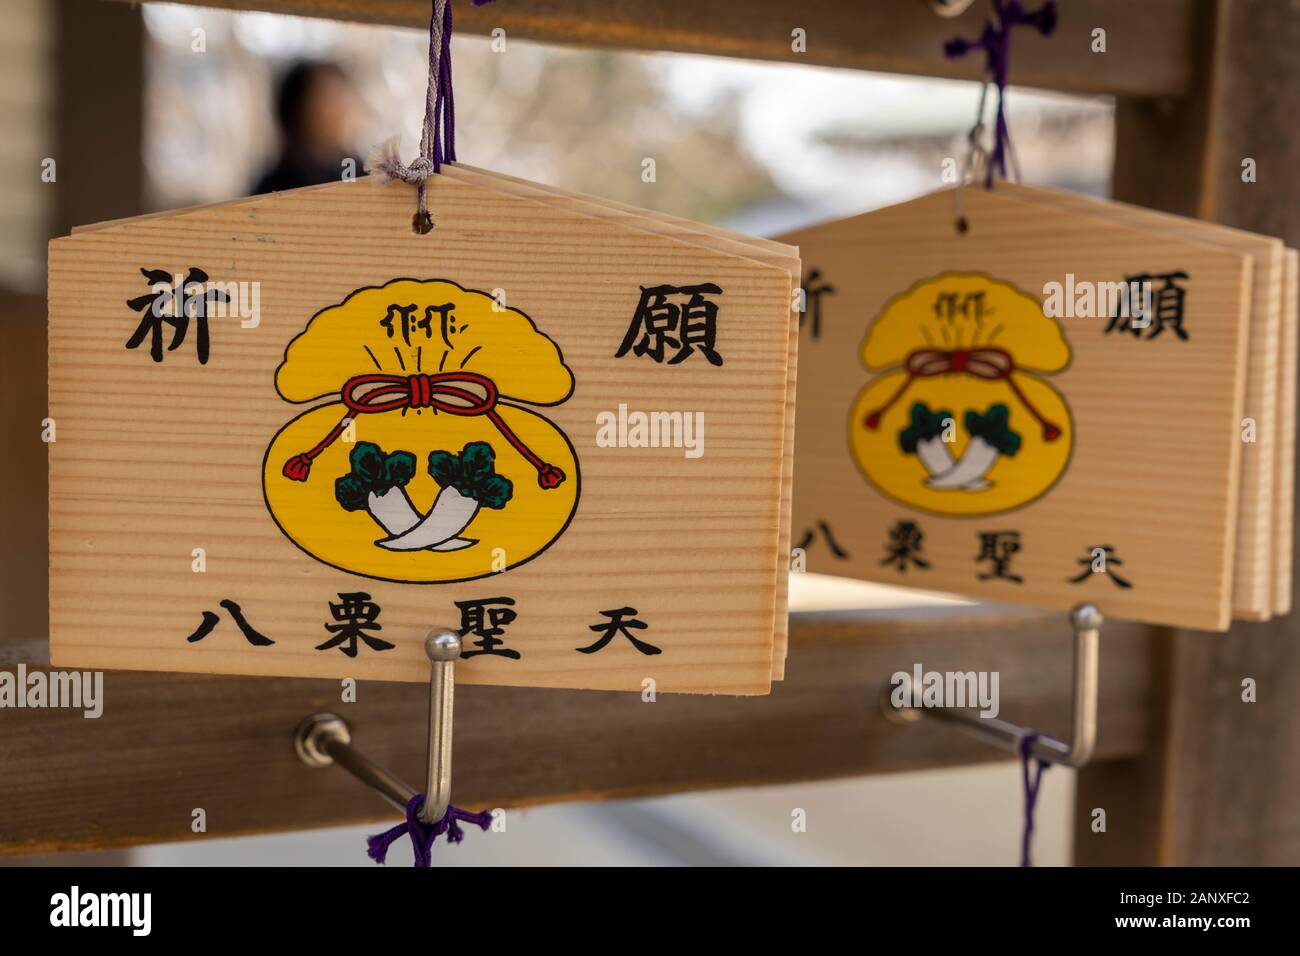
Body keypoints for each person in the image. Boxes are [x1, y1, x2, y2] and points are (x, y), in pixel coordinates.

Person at [252, 61, 362, 195]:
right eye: (329, 98)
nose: (342, 109)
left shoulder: (354, 169)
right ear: (299, 109)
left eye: (343, 96)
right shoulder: (277, 185)